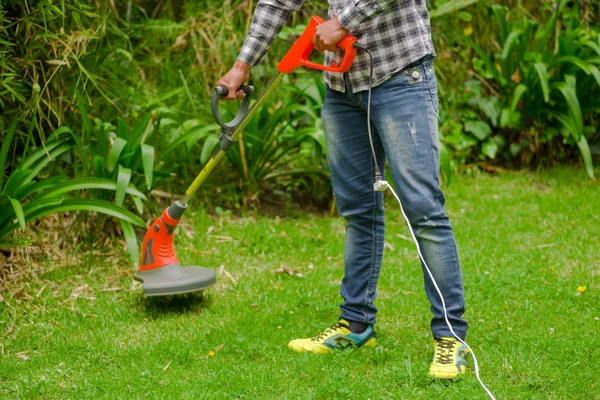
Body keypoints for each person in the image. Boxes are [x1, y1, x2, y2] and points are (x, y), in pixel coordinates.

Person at [217, 0, 469, 379]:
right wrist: (242, 65)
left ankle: (451, 338)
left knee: (423, 210)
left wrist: (343, 22)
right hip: (342, 85)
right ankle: (356, 325)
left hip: (401, 76)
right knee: (358, 209)